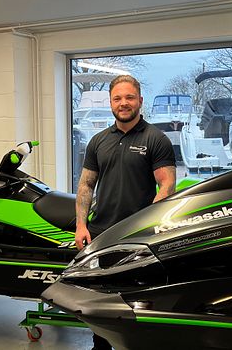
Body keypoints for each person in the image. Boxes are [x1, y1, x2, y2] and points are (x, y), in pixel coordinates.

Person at [74, 75, 176, 350]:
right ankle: (101, 346)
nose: (124, 103)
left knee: (136, 300)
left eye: (129, 97)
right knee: (100, 298)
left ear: (140, 101)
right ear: (110, 102)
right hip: (101, 233)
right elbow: (86, 184)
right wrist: (81, 225)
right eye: (117, 98)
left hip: (137, 236)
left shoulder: (156, 139)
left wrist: (149, 226)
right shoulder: (98, 141)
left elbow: (166, 184)